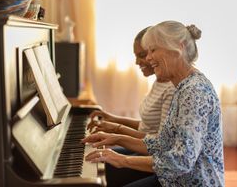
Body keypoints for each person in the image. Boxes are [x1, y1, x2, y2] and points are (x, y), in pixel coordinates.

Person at [82, 20, 224, 187]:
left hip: (190, 183)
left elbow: (182, 161)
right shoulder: (184, 86)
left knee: (105, 172)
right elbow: (163, 143)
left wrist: (123, 160)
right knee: (100, 169)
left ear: (178, 48)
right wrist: (117, 137)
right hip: (174, 180)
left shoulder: (194, 92)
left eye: (153, 50)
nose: (148, 58)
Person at [87, 27, 175, 139]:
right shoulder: (159, 81)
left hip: (148, 153)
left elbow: (159, 143)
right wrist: (112, 118)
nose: (137, 62)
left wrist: (117, 129)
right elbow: (146, 127)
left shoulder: (171, 89)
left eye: (142, 55)